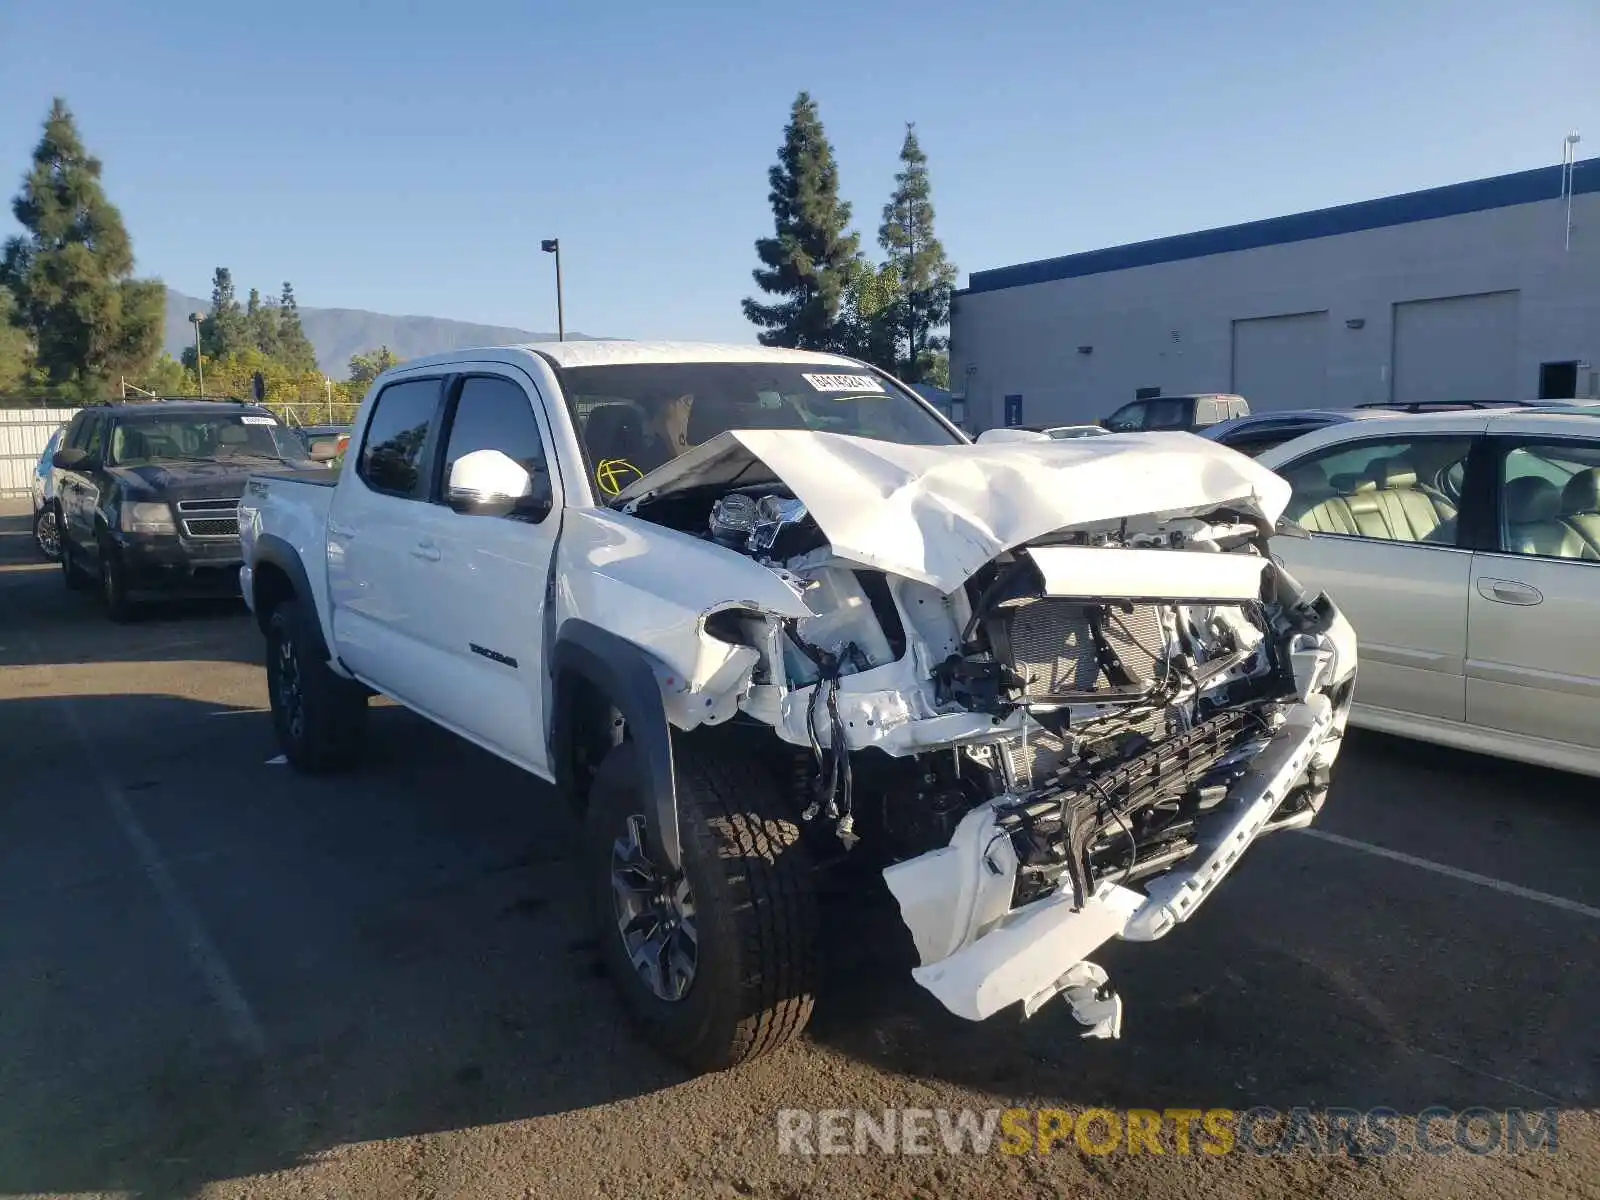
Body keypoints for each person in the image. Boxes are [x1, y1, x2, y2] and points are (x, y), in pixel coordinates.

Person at [630, 391, 695, 476]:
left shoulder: (709, 447)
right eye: (666, 415)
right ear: (654, 424)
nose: (679, 419)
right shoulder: (648, 466)